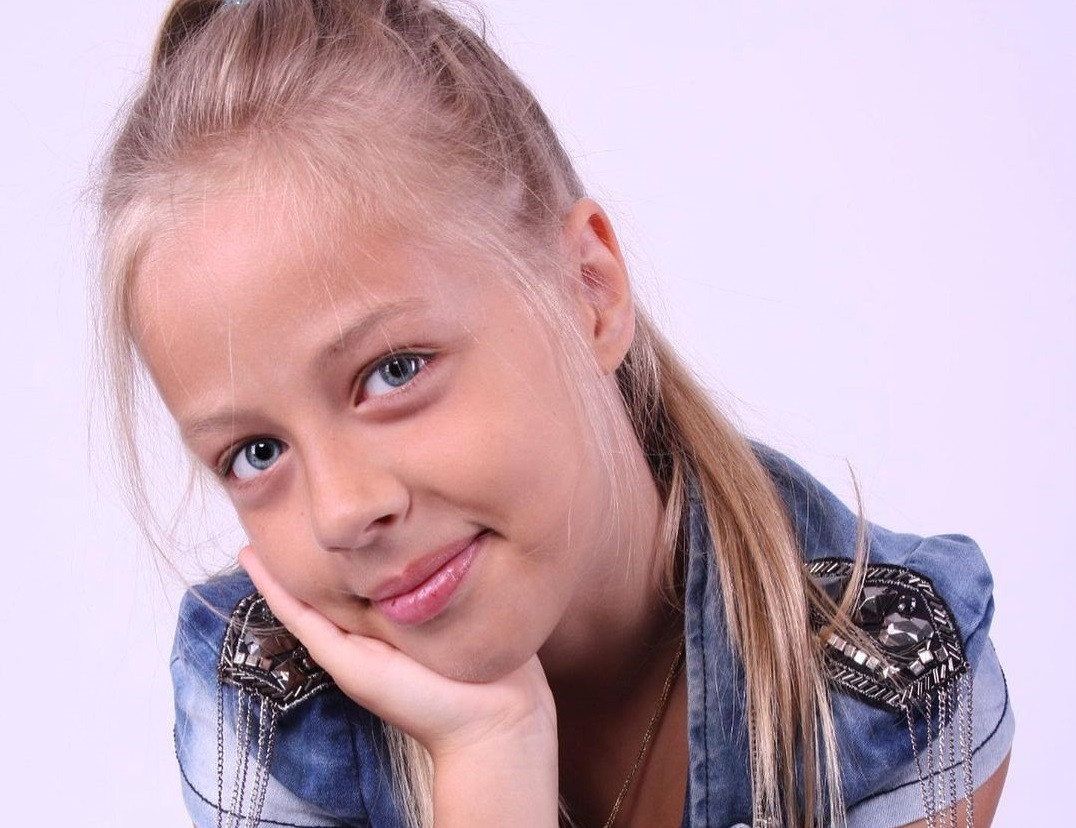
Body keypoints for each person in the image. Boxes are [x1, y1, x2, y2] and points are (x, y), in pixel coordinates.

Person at [97, 1, 1014, 826]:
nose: (341, 511)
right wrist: (488, 750)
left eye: (394, 371)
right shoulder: (269, 701)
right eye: (256, 453)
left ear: (589, 293)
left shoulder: (888, 681)